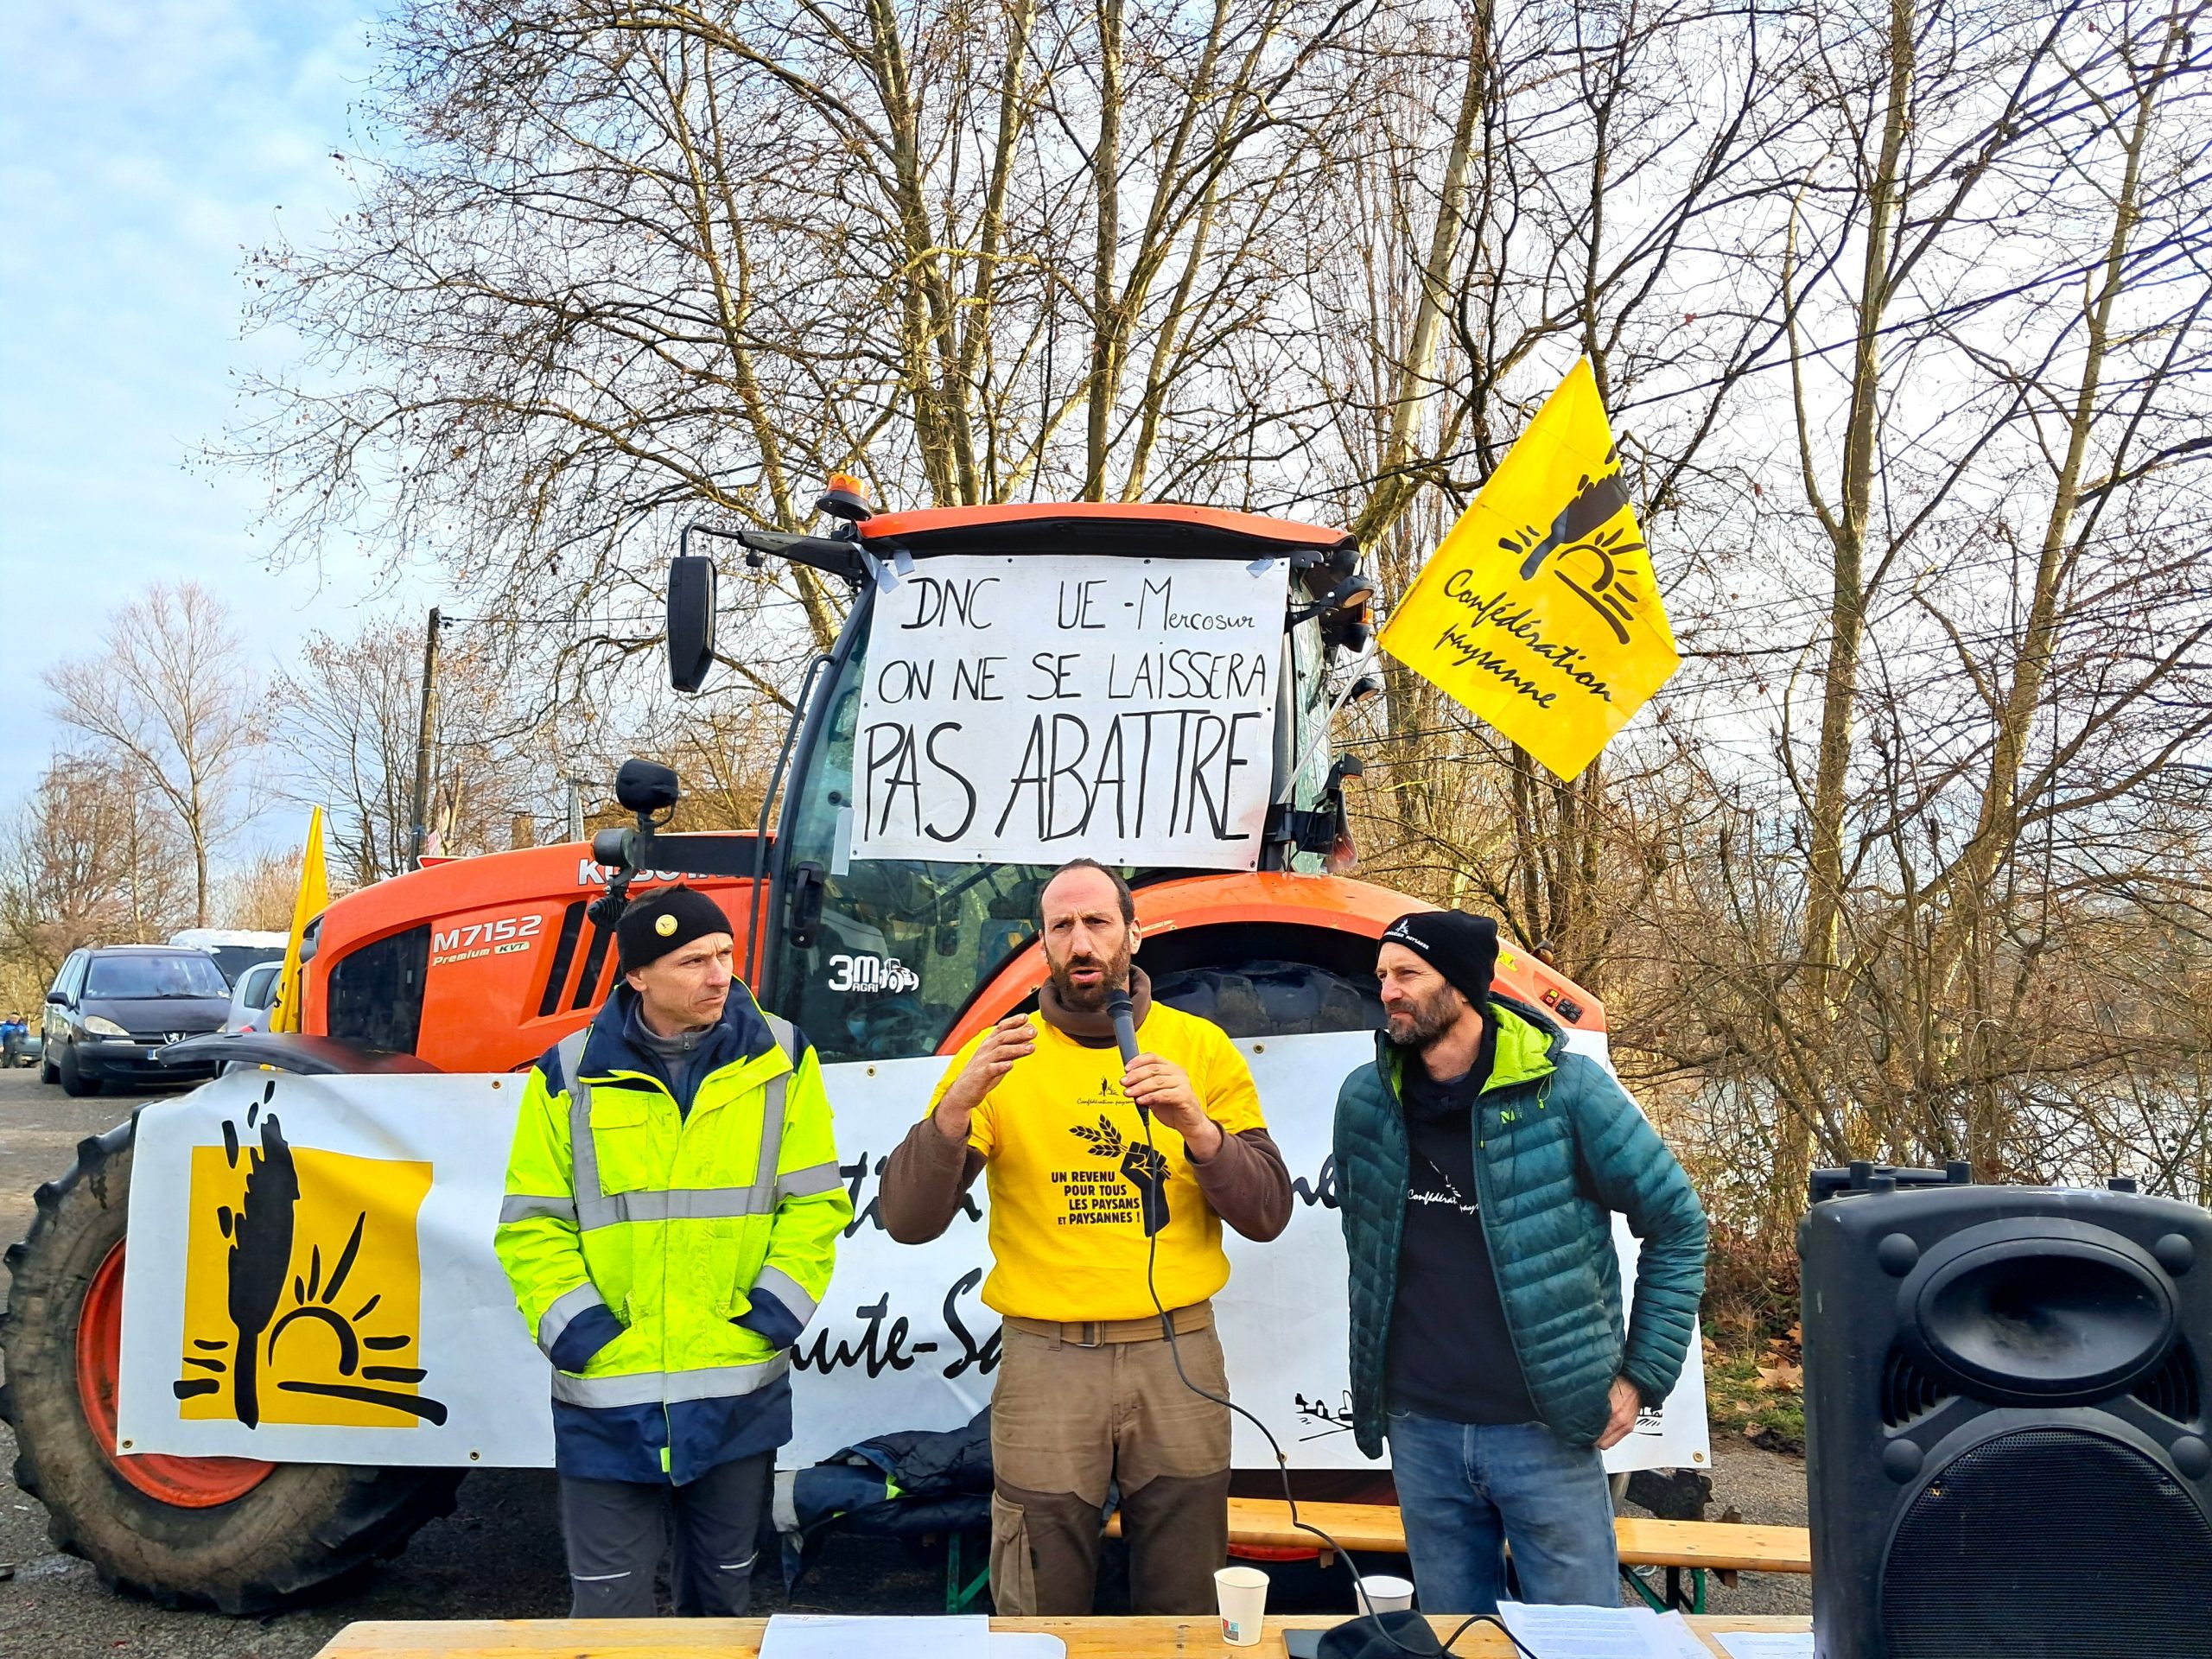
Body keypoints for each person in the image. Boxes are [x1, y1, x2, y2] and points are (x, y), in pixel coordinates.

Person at [880, 858, 1294, 1616]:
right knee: (1039, 1592)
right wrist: (952, 1113)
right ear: (1041, 944)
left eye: (1097, 922)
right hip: (1047, 1359)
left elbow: (1267, 1214)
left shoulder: (1200, 1050)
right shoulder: (1001, 1059)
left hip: (1178, 1353)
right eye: (1061, 926)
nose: (1081, 942)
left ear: (1134, 933)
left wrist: (1201, 1130)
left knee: (1187, 1593)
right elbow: (908, 1222)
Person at [1332, 911, 1707, 1614]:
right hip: (1422, 1431)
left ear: (1465, 987)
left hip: (1546, 1430)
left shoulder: (1567, 1092)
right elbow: (1367, 1248)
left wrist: (1641, 1377)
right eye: (1382, 977)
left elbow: (1678, 1224)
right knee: (1456, 1636)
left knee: (1584, 1639)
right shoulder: (1365, 1100)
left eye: (1408, 974)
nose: (1388, 992)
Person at [495, 885, 851, 1618]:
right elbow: (532, 1222)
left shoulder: (783, 1059)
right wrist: (581, 1333)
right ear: (637, 977)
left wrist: (771, 1316)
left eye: (724, 953)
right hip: (609, 1401)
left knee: (722, 1607)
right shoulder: (566, 1076)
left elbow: (814, 1205)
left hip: (735, 1394)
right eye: (693, 960)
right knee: (608, 1616)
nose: (720, 974)